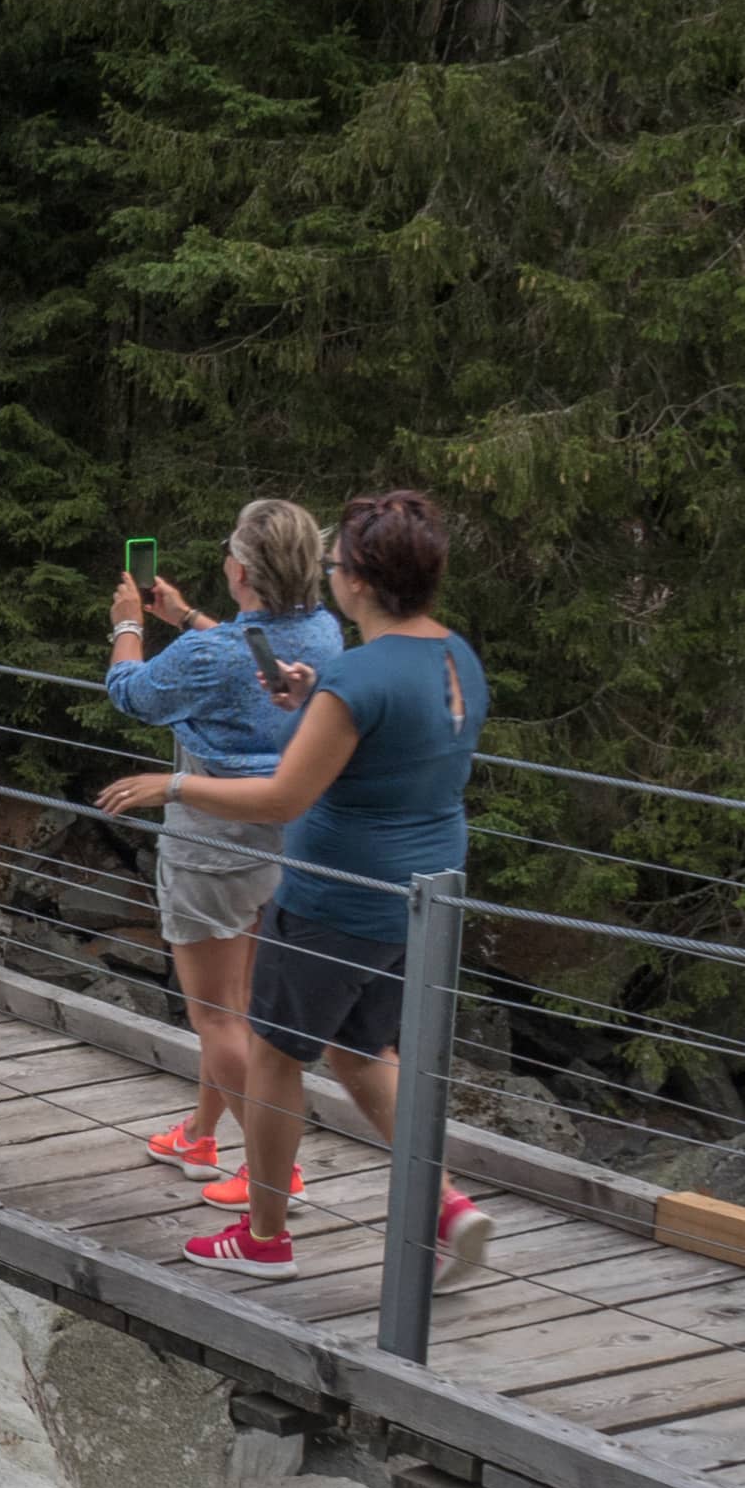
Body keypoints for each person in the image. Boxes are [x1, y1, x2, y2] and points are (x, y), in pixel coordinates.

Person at [96, 489, 493, 1287]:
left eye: (341, 562)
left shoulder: (358, 677)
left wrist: (169, 788)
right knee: (360, 1050)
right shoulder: (451, 655)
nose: (334, 573)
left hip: (334, 892)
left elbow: (284, 798)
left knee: (275, 1052)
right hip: (421, 886)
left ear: (361, 582)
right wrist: (312, 690)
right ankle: (446, 1206)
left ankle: (266, 1236)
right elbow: (388, 726)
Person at [102, 501, 346, 1216]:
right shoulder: (324, 632)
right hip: (286, 835)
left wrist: (128, 623)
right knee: (236, 1007)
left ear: (239, 569)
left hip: (214, 841)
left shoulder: (213, 655)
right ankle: (202, 1137)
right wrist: (186, 616)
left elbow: (132, 694)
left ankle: (277, 1175)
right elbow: (254, 659)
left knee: (214, 1014)